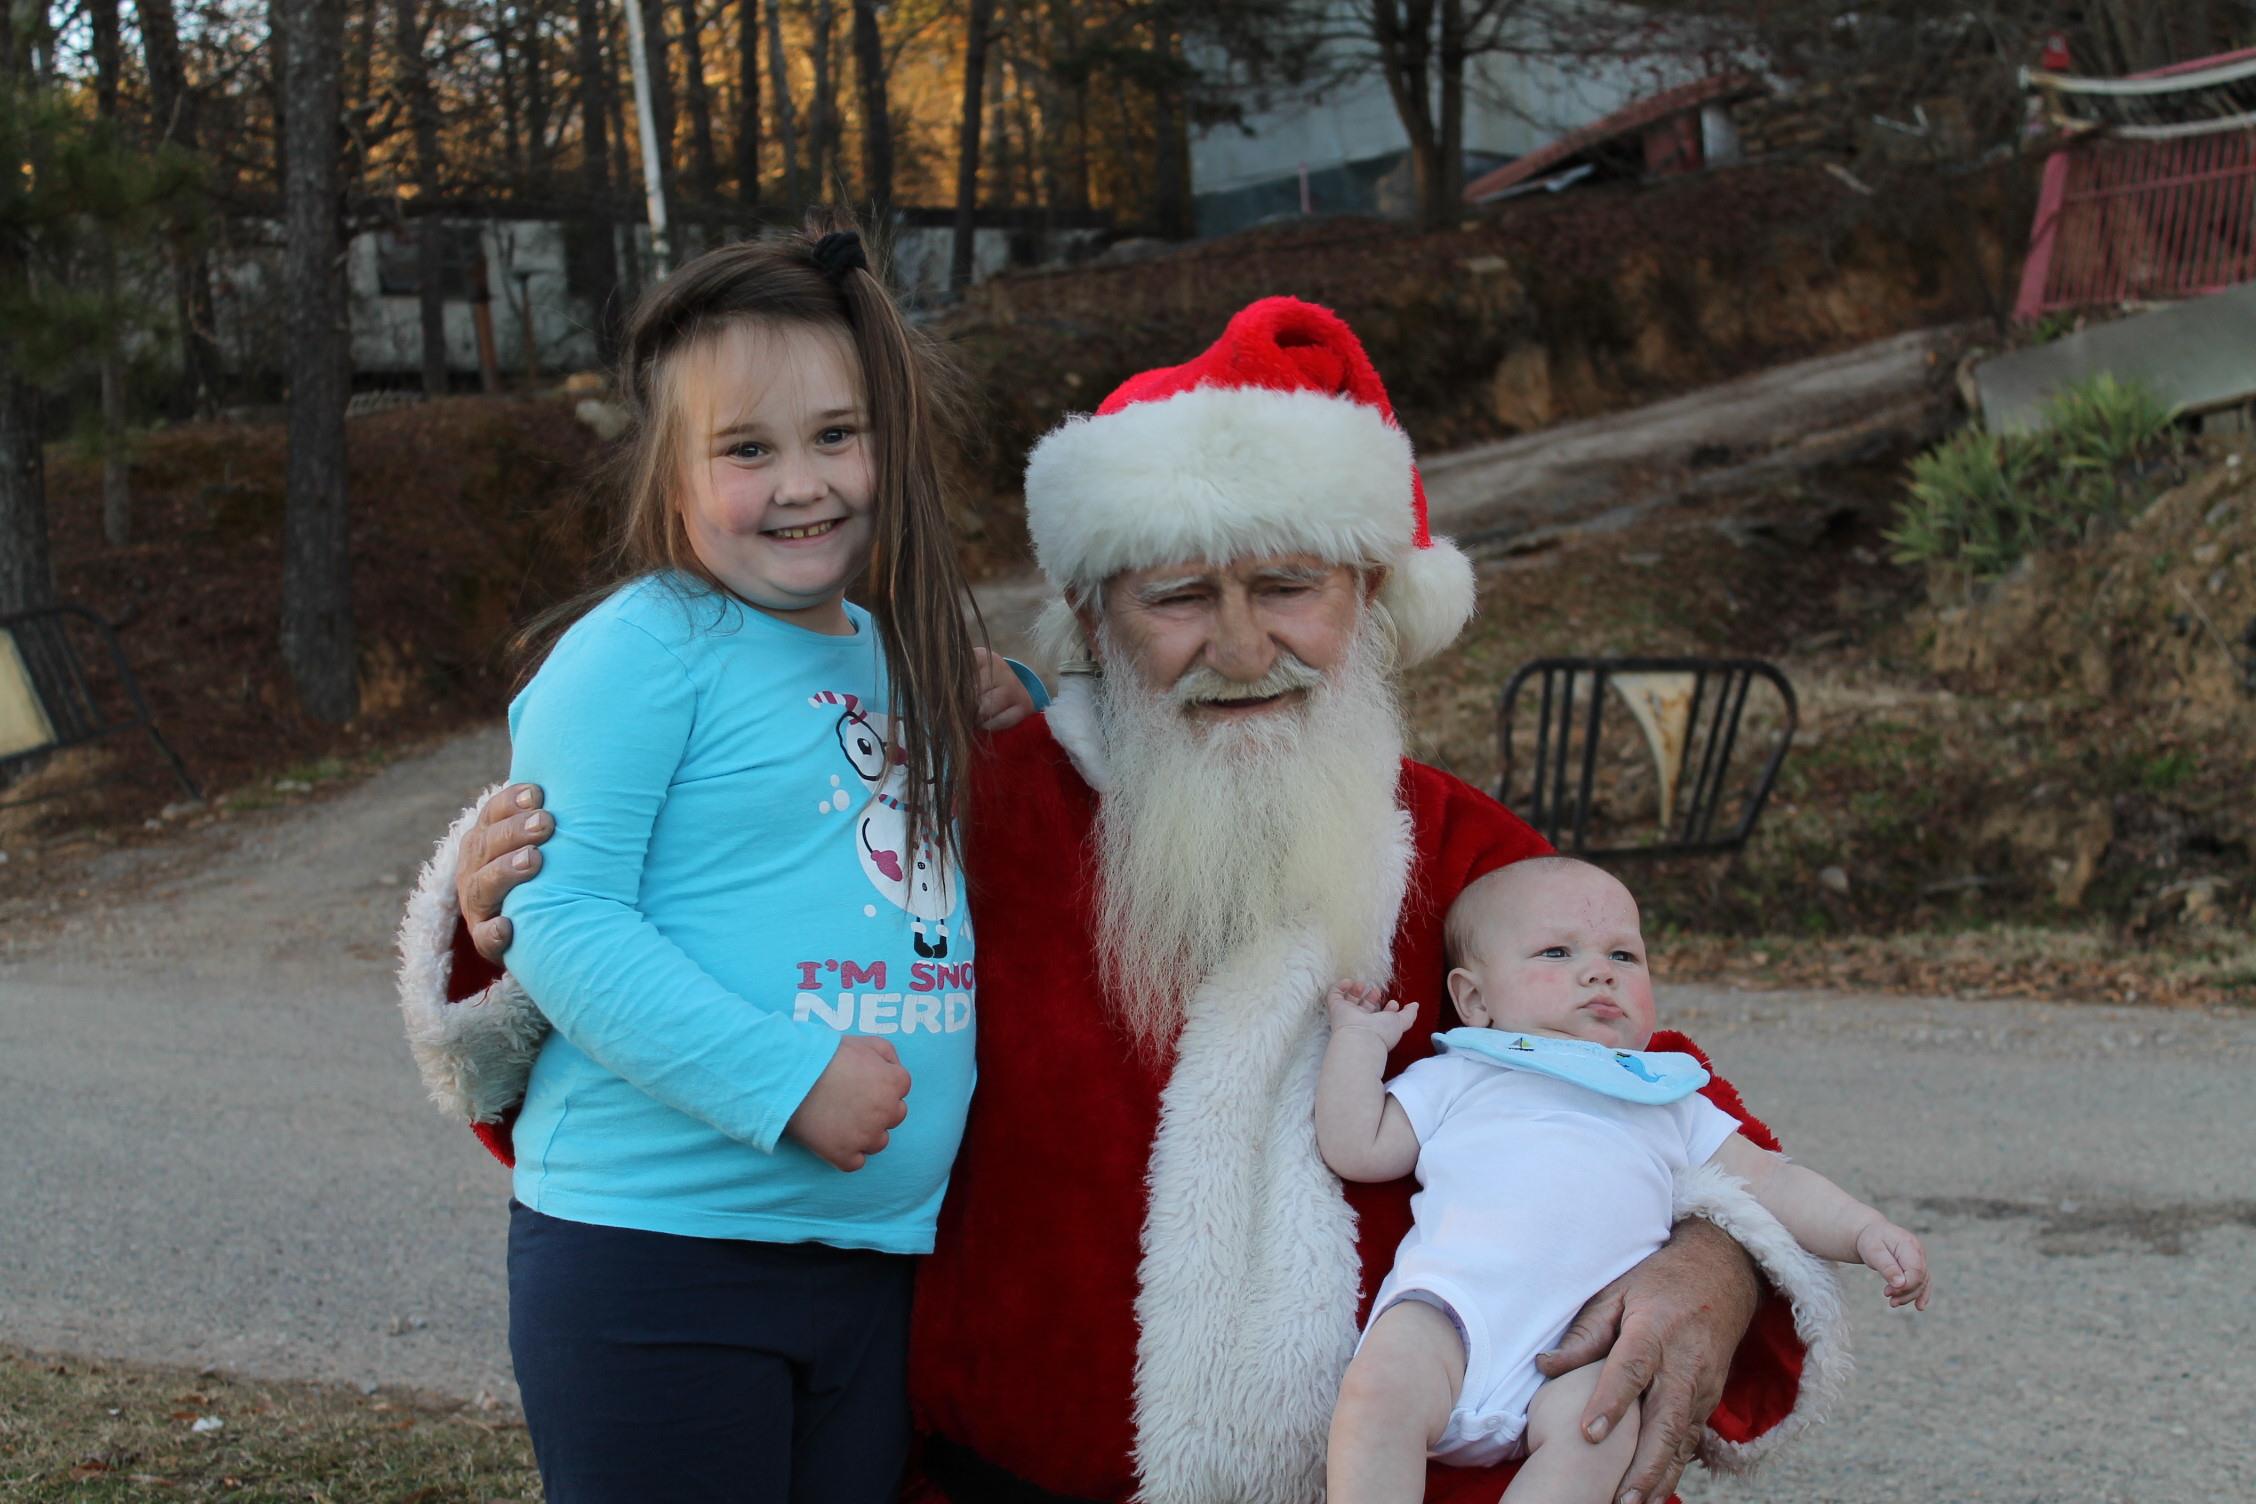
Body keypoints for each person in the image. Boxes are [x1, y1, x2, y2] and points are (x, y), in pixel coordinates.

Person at [403, 296, 1850, 1504]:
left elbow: (1656, 1087)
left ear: (1369, 598)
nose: (1240, 646)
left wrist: (1716, 1256)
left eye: (1286, 586)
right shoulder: (955, 809)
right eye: (1176, 597)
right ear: (1092, 616)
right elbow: (672, 980)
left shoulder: (1470, 853)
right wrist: (500, 922)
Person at [428, 224, 1037, 1504]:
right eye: (748, 449)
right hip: (659, 1255)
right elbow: (566, 916)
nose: (804, 482)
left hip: (869, 1260)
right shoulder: (642, 653)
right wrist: (787, 1078)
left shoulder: (895, 650)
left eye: (835, 434)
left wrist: (1016, 697)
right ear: (672, 471)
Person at [1319, 858, 1928, 1504]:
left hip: (1585, 1353)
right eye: (1557, 952)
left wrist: (1865, 1230)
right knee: (1378, 1391)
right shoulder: (1465, 1074)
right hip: (1450, 1316)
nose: (1598, 970)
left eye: (1624, 956)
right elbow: (1358, 1145)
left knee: (1603, 1430)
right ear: (1475, 999)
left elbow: (1771, 1182)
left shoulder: (1666, 1099)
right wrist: (1358, 1045)